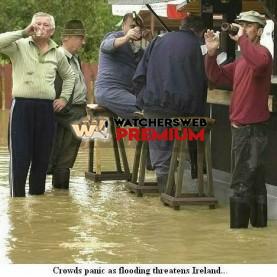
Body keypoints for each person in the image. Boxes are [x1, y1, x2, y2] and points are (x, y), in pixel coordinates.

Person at [204, 10, 272, 228]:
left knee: (240, 182)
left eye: (248, 25)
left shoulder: (262, 54)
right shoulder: (243, 60)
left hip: (251, 130)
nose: (242, 28)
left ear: (259, 31)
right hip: (244, 128)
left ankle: (239, 236)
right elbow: (216, 77)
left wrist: (242, 39)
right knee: (255, 182)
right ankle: (257, 233)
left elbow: (260, 65)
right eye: (241, 24)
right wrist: (212, 54)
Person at [0, 12, 75, 197]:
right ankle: (16, 204)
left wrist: (64, 98)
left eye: (45, 24)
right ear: (31, 26)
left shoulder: (57, 52)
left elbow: (69, 76)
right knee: (20, 157)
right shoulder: (19, 46)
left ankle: (37, 204)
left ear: (52, 30)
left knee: (42, 159)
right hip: (22, 107)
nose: (41, 27)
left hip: (46, 110)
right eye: (37, 24)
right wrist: (24, 32)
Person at [133, 16, 207, 193]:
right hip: (179, 110)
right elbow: (199, 84)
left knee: (161, 158)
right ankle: (173, 198)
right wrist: (197, 118)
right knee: (173, 152)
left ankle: (167, 199)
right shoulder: (196, 47)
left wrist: (144, 100)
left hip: (153, 106)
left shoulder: (157, 41)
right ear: (201, 33)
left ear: (182, 26)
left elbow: (138, 76)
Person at [48, 20, 87, 189]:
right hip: (65, 114)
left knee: (65, 159)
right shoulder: (58, 58)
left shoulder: (74, 58)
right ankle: (59, 202)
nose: (83, 42)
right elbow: (55, 95)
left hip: (76, 111)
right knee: (61, 160)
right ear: (66, 38)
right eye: (79, 37)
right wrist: (75, 119)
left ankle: (60, 203)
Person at [94, 12, 147, 118]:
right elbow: (106, 46)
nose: (136, 29)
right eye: (132, 26)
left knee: (156, 107)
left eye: (139, 27)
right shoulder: (114, 36)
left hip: (126, 93)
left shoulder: (139, 49)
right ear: (123, 26)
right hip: (109, 91)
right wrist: (126, 37)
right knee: (145, 110)